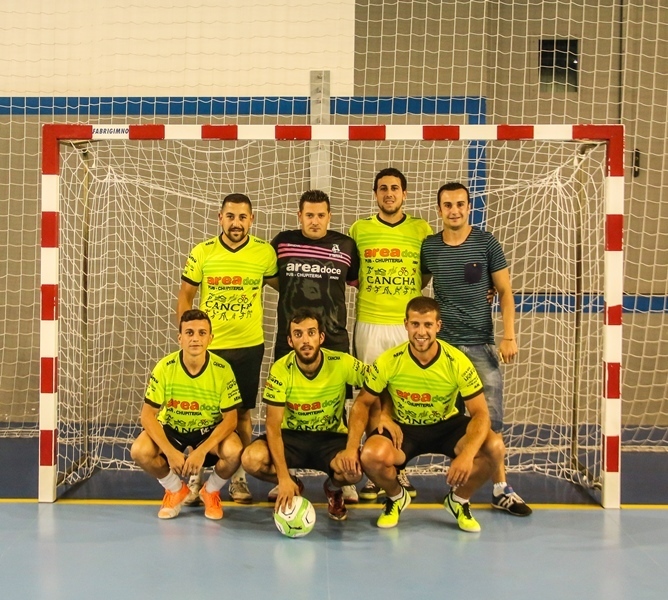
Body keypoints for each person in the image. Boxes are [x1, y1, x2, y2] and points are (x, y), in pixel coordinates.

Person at [341, 297, 527, 531]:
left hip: (446, 426)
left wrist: (468, 455)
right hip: (404, 429)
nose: (421, 332)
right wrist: (352, 447)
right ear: (406, 324)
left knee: (495, 448)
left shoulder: (456, 361)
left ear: (438, 326)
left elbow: (480, 413)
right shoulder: (389, 360)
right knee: (370, 455)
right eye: (415, 324)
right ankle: (396, 497)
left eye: (428, 325)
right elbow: (362, 404)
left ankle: (459, 500)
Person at [420, 181, 532, 516]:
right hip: (443, 351)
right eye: (448, 205)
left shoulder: (486, 243)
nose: (454, 210)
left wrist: (509, 336)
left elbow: (505, 291)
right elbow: (418, 287)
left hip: (481, 346)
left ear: (469, 207)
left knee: (490, 423)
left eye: (460, 204)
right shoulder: (429, 247)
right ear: (439, 210)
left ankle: (501, 488)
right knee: (446, 423)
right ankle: (454, 485)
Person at [177, 193, 278, 504]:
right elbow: (185, 296)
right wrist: (189, 340)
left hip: (248, 347)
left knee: (243, 413)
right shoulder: (203, 252)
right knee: (203, 415)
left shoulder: (264, 253)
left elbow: (287, 288)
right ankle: (196, 478)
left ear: (252, 220)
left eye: (242, 217)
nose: (236, 223)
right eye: (230, 216)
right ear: (220, 218)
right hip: (212, 350)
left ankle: (238, 478)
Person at [266, 189, 360, 504]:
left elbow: (358, 282)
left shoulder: (346, 245)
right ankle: (287, 474)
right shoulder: (282, 243)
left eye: (321, 215)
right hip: (292, 339)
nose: (315, 221)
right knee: (288, 404)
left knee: (338, 406)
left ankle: (340, 478)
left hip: (333, 338)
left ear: (329, 216)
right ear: (299, 216)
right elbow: (271, 278)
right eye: (309, 215)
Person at [348, 167, 433, 500]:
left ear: (404, 194)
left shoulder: (420, 229)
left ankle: (398, 466)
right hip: (370, 322)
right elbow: (353, 274)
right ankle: (374, 472)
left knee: (400, 397)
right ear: (375, 194)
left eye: (394, 188)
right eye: (383, 188)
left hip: (404, 324)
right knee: (371, 397)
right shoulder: (360, 229)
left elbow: (425, 274)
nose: (389, 193)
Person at [241, 308, 366, 521]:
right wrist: (283, 478)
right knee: (250, 459)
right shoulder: (281, 369)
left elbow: (377, 384)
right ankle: (293, 484)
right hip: (292, 437)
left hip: (330, 437)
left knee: (354, 471)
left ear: (321, 337)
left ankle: (333, 488)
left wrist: (380, 419)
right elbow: (272, 426)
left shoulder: (342, 362)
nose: (306, 340)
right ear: (290, 341)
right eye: (298, 334)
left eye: (311, 333)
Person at [130, 309, 243, 520]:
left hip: (208, 430)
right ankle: (175, 489)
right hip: (173, 428)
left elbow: (231, 419)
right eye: (189, 333)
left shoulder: (222, 369)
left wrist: (202, 450)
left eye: (202, 333)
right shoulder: (165, 367)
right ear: (180, 338)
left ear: (210, 338)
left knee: (235, 451)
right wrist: (169, 451)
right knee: (139, 451)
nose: (195, 338)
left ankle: (210, 492)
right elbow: (147, 415)